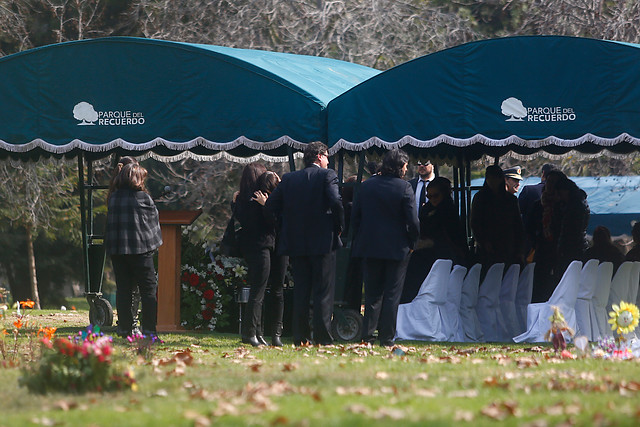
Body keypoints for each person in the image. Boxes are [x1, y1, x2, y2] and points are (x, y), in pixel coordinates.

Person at [265, 142, 344, 346]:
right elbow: (336, 201)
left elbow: (271, 205)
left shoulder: (290, 178)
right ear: (319, 156)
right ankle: (322, 336)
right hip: (323, 240)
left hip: (297, 242)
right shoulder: (328, 175)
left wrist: (286, 224)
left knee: (301, 290)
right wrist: (339, 225)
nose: (328, 160)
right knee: (323, 292)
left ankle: (300, 336)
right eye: (326, 156)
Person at [351, 149, 419, 347]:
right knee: (392, 294)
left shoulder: (367, 186)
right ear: (399, 167)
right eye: (405, 166)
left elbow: (355, 217)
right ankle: (387, 337)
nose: (406, 170)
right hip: (397, 248)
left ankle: (367, 336)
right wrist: (412, 243)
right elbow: (413, 221)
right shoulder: (404, 188)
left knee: (372, 294)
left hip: (370, 246)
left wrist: (360, 238)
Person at [105, 162, 162, 338]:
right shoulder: (144, 198)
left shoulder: (114, 198)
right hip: (141, 251)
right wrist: (154, 246)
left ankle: (124, 328)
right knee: (148, 290)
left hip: (118, 251)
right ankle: (149, 330)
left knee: (123, 289)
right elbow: (154, 223)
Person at [235, 164, 288, 347]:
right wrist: (267, 206)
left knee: (264, 290)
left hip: (264, 246)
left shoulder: (244, 199)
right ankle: (255, 332)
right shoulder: (256, 200)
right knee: (265, 290)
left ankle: (259, 332)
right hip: (265, 245)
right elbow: (272, 223)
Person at [401, 177, 468, 303]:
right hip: (426, 255)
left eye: (435, 196)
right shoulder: (427, 209)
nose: (432, 200)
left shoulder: (448, 211)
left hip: (441, 255)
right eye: (429, 196)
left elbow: (448, 235)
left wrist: (428, 243)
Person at [470, 165, 525, 273]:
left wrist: (519, 250)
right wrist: (483, 242)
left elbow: (518, 225)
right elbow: (475, 223)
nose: (492, 182)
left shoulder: (510, 200)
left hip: (507, 246)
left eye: (495, 178)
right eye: (489, 178)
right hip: (487, 248)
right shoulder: (480, 198)